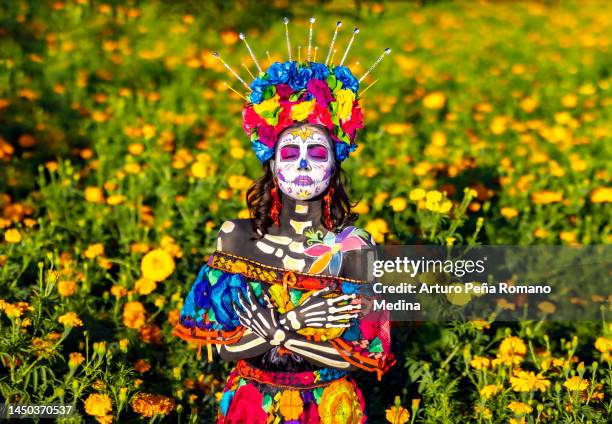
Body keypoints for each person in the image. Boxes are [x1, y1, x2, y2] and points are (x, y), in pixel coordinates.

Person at [173, 22, 394, 423]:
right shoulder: (236, 238)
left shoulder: (353, 245)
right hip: (251, 404)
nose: (304, 164)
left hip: (329, 407)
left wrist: (274, 330)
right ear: (271, 164)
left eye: (318, 153)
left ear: (335, 165)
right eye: (290, 152)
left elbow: (359, 357)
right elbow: (227, 346)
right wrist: (297, 324)